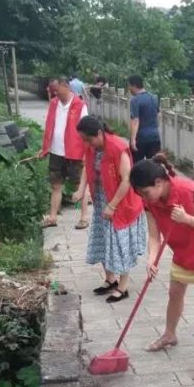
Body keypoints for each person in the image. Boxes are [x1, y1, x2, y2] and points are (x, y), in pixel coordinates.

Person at [130, 153, 194, 382]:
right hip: (183, 251)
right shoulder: (151, 201)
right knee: (175, 293)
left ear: (159, 182)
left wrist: (186, 218)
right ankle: (169, 335)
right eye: (140, 195)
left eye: (145, 193)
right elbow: (154, 236)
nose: (144, 198)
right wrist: (151, 259)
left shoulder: (188, 191)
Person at [73, 116, 146, 302]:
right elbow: (85, 167)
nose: (87, 143)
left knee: (119, 243)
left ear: (99, 133)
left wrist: (112, 205)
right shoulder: (92, 146)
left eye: (88, 139)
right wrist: (82, 189)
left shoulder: (117, 147)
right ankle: (110, 279)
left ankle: (123, 286)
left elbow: (127, 180)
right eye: (84, 140)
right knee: (104, 240)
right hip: (100, 199)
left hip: (120, 202)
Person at [40, 78, 91, 230]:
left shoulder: (79, 105)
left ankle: (84, 217)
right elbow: (49, 125)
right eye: (54, 91)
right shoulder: (54, 103)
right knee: (56, 184)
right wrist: (45, 147)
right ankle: (53, 216)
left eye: (58, 90)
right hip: (56, 151)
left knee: (79, 185)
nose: (56, 94)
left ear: (66, 87)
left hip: (74, 152)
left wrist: (85, 153)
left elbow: (86, 130)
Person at [127, 75, 161, 163]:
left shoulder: (135, 100)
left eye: (129, 86)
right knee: (154, 166)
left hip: (141, 138)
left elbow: (135, 121)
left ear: (134, 85)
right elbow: (159, 115)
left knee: (136, 167)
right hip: (154, 137)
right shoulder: (154, 97)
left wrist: (133, 139)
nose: (129, 89)